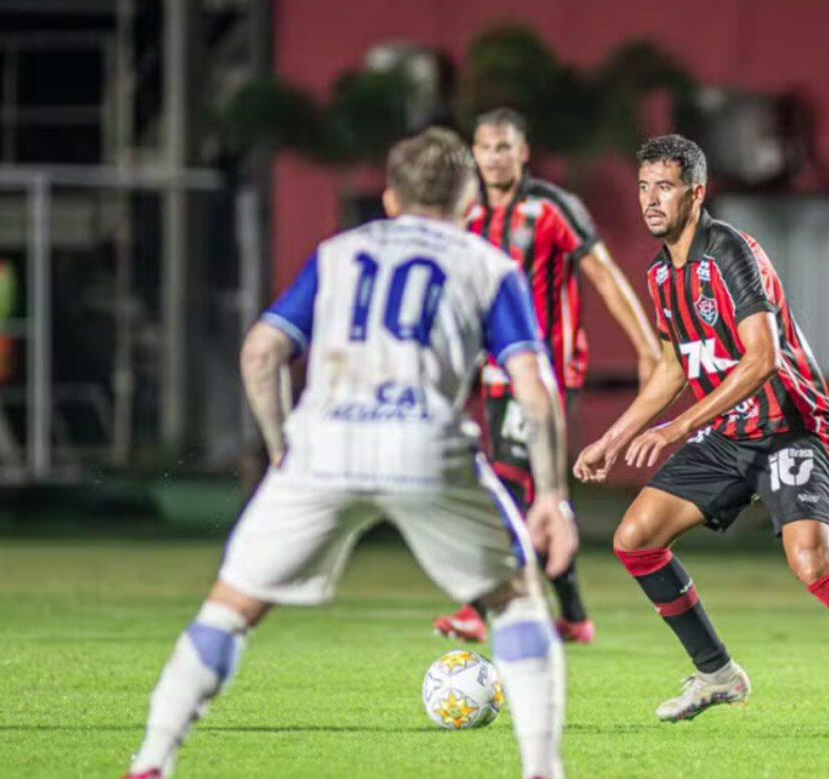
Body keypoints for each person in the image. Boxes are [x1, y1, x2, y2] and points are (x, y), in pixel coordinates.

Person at [122, 127, 576, 779]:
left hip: (323, 447)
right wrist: (552, 494)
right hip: (427, 446)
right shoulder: (489, 265)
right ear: (469, 201)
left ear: (390, 198)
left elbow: (261, 352)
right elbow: (535, 388)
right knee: (516, 600)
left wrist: (280, 447)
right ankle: (541, 770)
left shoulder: (338, 254)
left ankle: (151, 759)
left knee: (230, 608)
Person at [573, 134, 829, 733]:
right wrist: (613, 439)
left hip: (790, 427)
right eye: (644, 187)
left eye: (664, 187)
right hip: (728, 433)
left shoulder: (730, 253)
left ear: (696, 193)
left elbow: (763, 359)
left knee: (812, 563)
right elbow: (673, 368)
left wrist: (679, 426)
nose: (650, 200)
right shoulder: (660, 274)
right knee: (636, 539)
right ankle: (717, 673)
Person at [433, 107, 661, 645]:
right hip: (494, 374)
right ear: (474, 154)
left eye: (504, 148)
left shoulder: (552, 208)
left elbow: (604, 276)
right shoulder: (468, 213)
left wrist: (647, 346)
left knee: (511, 483)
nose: (494, 158)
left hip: (547, 373)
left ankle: (477, 606)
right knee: (537, 491)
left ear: (523, 152)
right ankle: (575, 616)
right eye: (485, 148)